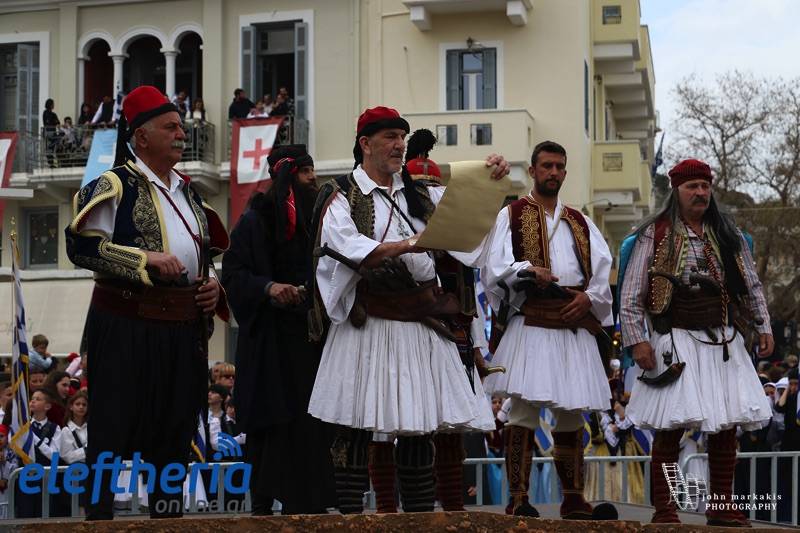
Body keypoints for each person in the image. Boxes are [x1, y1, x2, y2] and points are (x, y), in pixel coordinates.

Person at [307, 106, 505, 514]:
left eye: (402, 136)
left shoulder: (421, 193)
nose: (400, 145)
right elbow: (347, 248)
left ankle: (416, 522)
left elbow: (468, 234)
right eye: (390, 137)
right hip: (368, 323)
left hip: (420, 323)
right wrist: (410, 244)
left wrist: (489, 179)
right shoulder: (340, 193)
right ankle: (350, 521)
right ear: (365, 143)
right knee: (354, 425)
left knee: (419, 427)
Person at [64, 85, 229, 520]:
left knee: (174, 436)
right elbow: (81, 247)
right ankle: (98, 523)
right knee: (111, 433)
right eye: (171, 127)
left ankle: (168, 522)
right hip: (125, 324)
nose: (181, 133)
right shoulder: (113, 184)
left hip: (182, 330)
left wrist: (214, 287)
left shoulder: (191, 194)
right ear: (141, 136)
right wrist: (144, 259)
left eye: (180, 126)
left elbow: (204, 255)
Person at [619, 158, 774, 527]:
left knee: (726, 428)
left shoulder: (727, 234)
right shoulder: (652, 235)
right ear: (677, 190)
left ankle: (721, 507)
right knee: (671, 430)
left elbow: (751, 284)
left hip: (723, 341)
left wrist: (763, 324)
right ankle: (666, 510)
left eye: (705, 186)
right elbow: (630, 295)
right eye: (693, 187)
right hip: (675, 339)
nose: (701, 193)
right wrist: (638, 342)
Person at [482, 140, 615, 519]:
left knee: (573, 414)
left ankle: (573, 497)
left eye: (559, 167)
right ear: (534, 170)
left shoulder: (581, 221)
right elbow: (494, 269)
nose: (553, 172)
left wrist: (589, 299)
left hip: (573, 323)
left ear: (565, 172)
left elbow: (603, 274)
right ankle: (518, 497)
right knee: (522, 412)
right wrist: (527, 270)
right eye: (547, 166)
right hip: (533, 320)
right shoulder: (511, 214)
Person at [222, 144, 336, 515]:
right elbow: (235, 274)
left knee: (310, 426)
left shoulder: (320, 222)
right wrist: (269, 288)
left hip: (309, 341)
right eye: (306, 174)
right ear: (289, 175)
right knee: (272, 425)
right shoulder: (254, 221)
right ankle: (263, 505)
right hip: (268, 345)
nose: (313, 181)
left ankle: (311, 505)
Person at [16, 389, 62, 518]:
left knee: (45, 512)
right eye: (32, 398)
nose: (33, 401)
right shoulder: (22, 427)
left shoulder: (55, 428)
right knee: (25, 513)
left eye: (38, 399)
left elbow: (54, 456)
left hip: (46, 479)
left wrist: (35, 439)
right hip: (26, 478)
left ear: (47, 406)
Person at [0, 425, 17, 519]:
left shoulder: (11, 453)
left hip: (7, 492)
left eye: (1, 436)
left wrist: (4, 462)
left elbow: (15, 469)